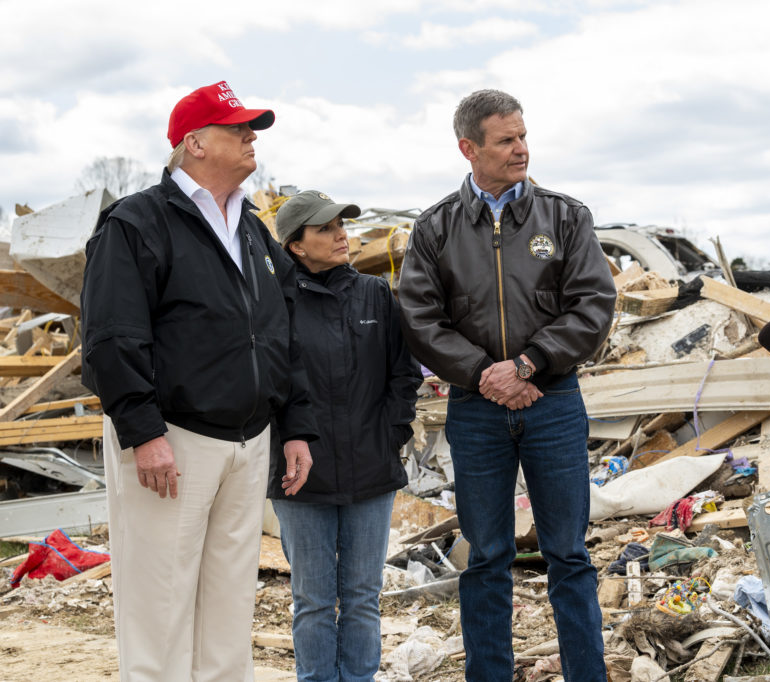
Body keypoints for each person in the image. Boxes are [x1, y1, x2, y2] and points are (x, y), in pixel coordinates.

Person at [81, 80, 318, 682]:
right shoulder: (137, 223)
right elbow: (112, 335)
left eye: (252, 127)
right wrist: (143, 431)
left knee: (229, 607)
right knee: (159, 605)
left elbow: (282, 334)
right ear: (194, 144)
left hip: (248, 439)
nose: (250, 136)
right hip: (173, 441)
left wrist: (295, 426)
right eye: (236, 127)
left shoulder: (254, 232)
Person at [398, 89, 616, 680]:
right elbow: (419, 319)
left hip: (554, 402)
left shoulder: (566, 217)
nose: (521, 149)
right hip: (476, 409)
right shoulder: (436, 227)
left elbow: (593, 304)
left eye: (522, 136)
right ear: (468, 148)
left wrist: (526, 365)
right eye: (506, 140)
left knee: (568, 554)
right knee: (486, 557)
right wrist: (483, 375)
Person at [268, 190, 423, 681]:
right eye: (326, 228)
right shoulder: (276, 303)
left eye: (342, 225)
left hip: (370, 469)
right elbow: (268, 383)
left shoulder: (375, 295)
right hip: (301, 478)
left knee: (361, 597)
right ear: (296, 245)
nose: (341, 235)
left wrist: (392, 433)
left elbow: (404, 372)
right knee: (312, 601)